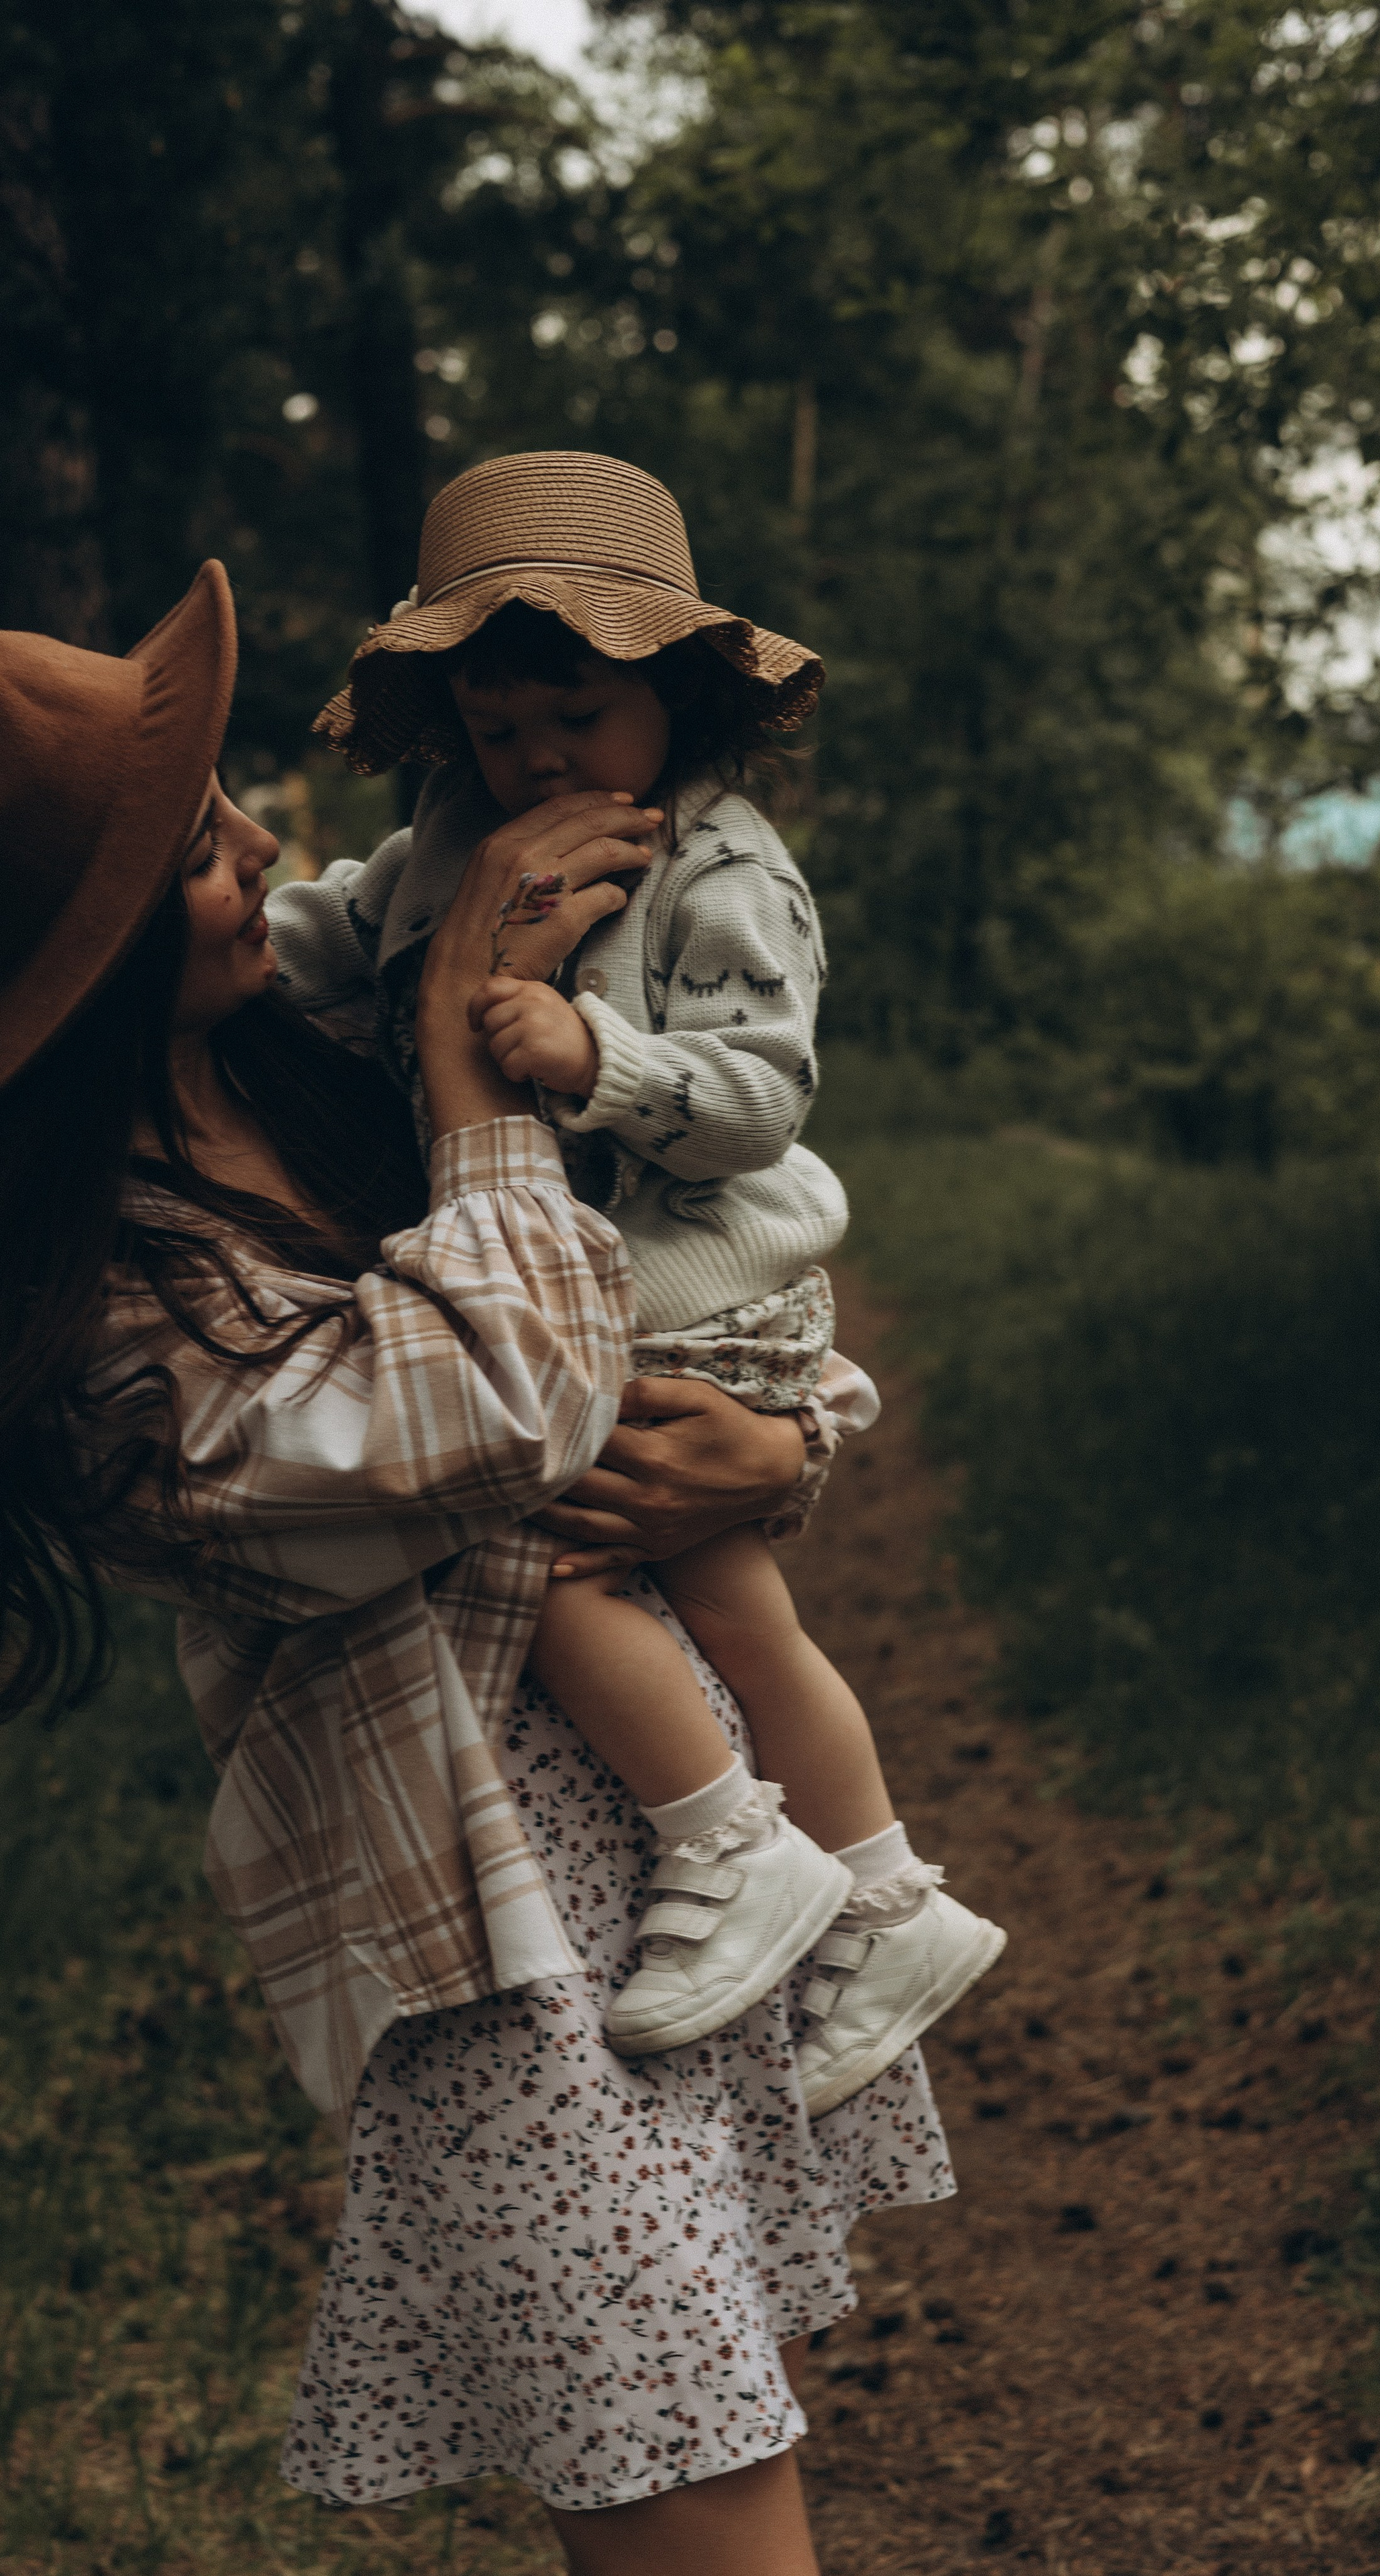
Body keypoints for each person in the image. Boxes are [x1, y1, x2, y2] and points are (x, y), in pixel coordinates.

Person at [0, 561, 955, 2575]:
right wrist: (458, 1068)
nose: (265, 841)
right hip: (504, 1960)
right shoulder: (98, 1328)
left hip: (705, 1863)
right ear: (84, 959)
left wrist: (780, 1448)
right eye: (195, 853)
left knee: (738, 2454)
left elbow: (686, 1302)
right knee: (704, 2516)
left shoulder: (301, 1071)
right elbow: (503, 1409)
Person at [268, 449, 1004, 2110]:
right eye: (495, 720)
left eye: (575, 716)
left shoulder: (720, 866)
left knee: (547, 1546)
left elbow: (760, 1097)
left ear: (670, 694)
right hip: (578, 1285)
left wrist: (593, 1050)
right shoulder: (451, 834)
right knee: (735, 1608)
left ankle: (728, 1843)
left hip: (689, 1287)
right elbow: (335, 937)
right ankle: (887, 1898)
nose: (533, 755)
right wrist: (242, 949)